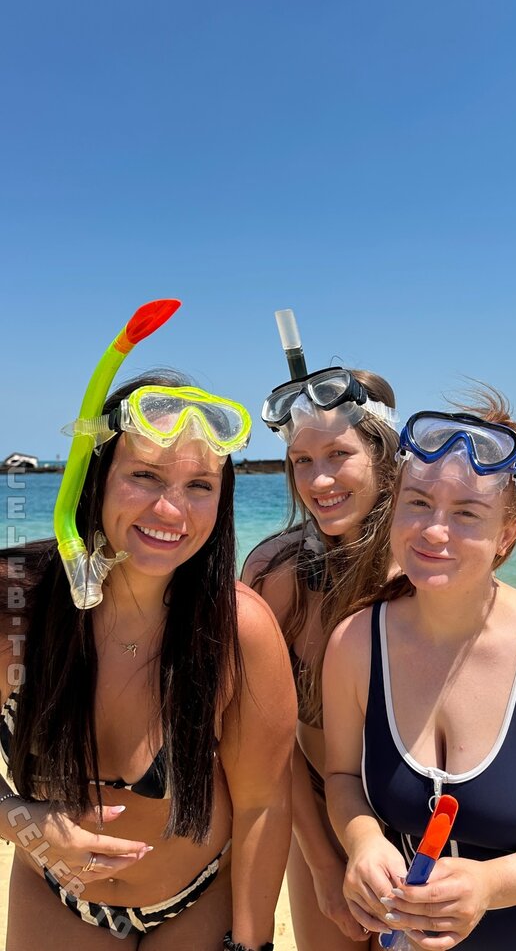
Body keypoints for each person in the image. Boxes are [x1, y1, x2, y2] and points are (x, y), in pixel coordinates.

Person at [0, 368, 296, 951]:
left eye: (200, 485)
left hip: (197, 901)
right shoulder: (18, 605)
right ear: (94, 477)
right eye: (145, 475)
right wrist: (17, 818)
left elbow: (263, 804)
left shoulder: (238, 630)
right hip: (55, 894)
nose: (171, 511)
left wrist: (251, 945)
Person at [323, 390, 516, 950]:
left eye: (467, 514)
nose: (434, 531)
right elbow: (342, 778)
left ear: (509, 532)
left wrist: (493, 883)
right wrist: (363, 842)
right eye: (418, 503)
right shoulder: (356, 644)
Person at [242, 366, 401, 950]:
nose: (319, 479)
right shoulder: (275, 576)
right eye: (301, 460)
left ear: (385, 458)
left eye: (338, 454)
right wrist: (323, 865)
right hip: (317, 818)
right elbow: (268, 740)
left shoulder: (427, 568)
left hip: (423, 819)